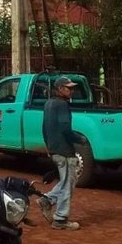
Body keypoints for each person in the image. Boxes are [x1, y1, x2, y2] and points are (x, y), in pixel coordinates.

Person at [37, 76, 86, 231]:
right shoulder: (62, 105)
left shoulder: (48, 104)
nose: (71, 91)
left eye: (71, 88)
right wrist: (80, 139)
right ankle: (60, 219)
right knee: (67, 184)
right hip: (65, 150)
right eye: (68, 88)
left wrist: (49, 147)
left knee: (67, 182)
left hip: (55, 149)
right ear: (59, 89)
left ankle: (47, 200)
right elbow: (65, 129)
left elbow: (44, 128)